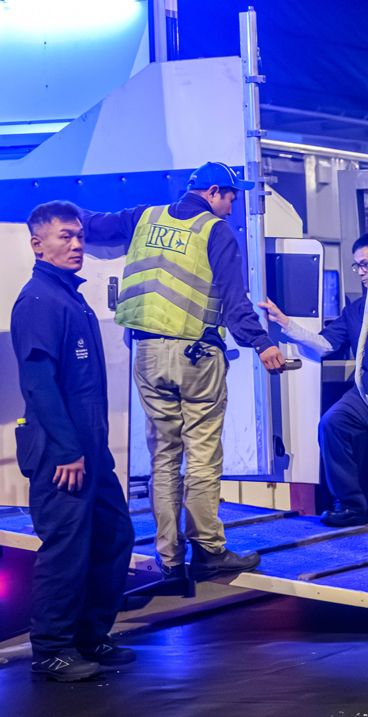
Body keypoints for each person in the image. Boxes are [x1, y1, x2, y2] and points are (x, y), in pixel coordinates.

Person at [82, 162, 285, 583]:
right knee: (203, 457)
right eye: (231, 196)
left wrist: (59, 217)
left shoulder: (144, 217)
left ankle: (170, 560)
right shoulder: (215, 232)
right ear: (213, 191)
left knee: (163, 458)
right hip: (197, 357)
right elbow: (234, 302)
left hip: (148, 355)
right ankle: (209, 551)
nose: (232, 205)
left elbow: (94, 227)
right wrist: (262, 343)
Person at [12, 201, 137, 681]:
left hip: (90, 450)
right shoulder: (39, 300)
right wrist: (67, 450)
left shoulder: (71, 297)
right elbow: (38, 383)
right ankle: (51, 649)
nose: (77, 244)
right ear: (38, 243)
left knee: (114, 536)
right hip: (60, 451)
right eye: (65, 236)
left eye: (80, 235)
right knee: (65, 548)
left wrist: (89, 449)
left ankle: (90, 636)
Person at [258, 231, 368, 530]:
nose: (362, 273)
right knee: (332, 424)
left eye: (366, 265)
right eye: (358, 267)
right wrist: (284, 323)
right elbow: (325, 344)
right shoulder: (355, 311)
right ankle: (350, 505)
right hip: (365, 399)